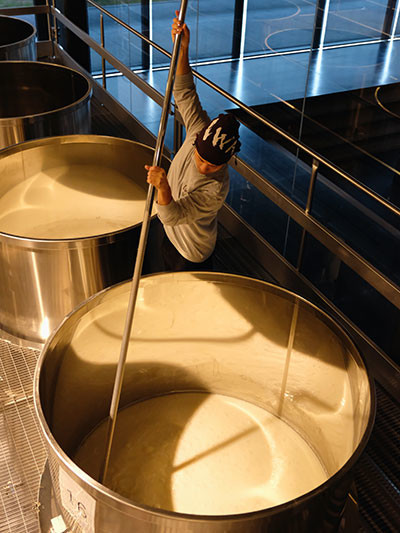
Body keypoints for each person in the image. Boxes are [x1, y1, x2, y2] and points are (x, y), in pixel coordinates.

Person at [145, 11, 240, 272]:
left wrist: (163, 186)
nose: (204, 167)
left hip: (191, 253)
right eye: (201, 157)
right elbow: (184, 91)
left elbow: (171, 215)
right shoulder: (198, 128)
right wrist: (183, 48)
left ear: (226, 162)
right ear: (197, 140)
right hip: (172, 235)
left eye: (213, 165)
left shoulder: (215, 189)